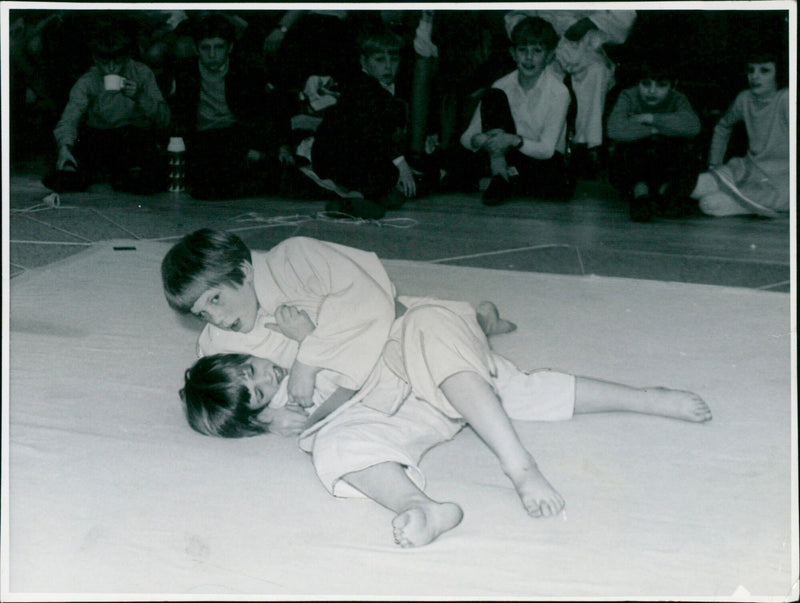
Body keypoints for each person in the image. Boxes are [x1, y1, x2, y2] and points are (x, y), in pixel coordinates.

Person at [180, 298, 712, 548]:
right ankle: (421, 506)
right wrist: (287, 421)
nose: (264, 376)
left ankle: (639, 402)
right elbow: (298, 418)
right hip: (400, 410)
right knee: (333, 449)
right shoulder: (279, 413)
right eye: (257, 392)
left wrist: (308, 340)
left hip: (420, 356)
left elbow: (367, 314)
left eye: (251, 369)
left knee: (507, 381)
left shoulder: (279, 331)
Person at [162, 228, 516, 408]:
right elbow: (226, 391)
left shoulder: (293, 258)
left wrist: (308, 358)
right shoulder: (216, 343)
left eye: (216, 299)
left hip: (397, 322)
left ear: (243, 269)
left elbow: (364, 300)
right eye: (203, 313)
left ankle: (482, 319)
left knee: (457, 343)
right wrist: (272, 416)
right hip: (354, 378)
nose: (217, 318)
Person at [169, 14, 295, 200]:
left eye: (219, 47)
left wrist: (282, 146)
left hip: (237, 133)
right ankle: (254, 163)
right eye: (206, 48)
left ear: (230, 47)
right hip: (203, 137)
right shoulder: (185, 71)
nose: (212, 55)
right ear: (196, 49)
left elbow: (269, 110)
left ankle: (255, 163)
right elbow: (179, 116)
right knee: (205, 181)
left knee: (227, 160)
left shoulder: (245, 70)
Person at [308, 24, 424, 219]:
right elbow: (373, 133)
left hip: (361, 153)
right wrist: (401, 164)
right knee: (392, 179)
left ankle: (358, 195)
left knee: (413, 179)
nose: (388, 66)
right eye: (379, 60)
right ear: (364, 61)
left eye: (393, 59)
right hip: (338, 156)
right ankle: (353, 197)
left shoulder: (387, 88)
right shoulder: (362, 88)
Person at [505, 10, 637, 177]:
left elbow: (624, 15)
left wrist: (590, 22)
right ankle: (545, 145)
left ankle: (588, 145)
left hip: (587, 45)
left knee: (596, 72)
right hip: (545, 44)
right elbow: (514, 16)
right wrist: (535, 30)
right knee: (545, 79)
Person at [43, 21, 170, 194]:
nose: (111, 68)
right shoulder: (87, 81)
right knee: (65, 169)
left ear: (126, 57)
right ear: (95, 59)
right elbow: (70, 117)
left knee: (149, 175)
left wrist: (141, 96)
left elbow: (165, 119)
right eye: (104, 61)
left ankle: (126, 174)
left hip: (133, 134)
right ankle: (96, 173)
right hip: (100, 135)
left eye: (117, 61)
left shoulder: (142, 73)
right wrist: (65, 146)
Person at [460, 16, 572, 206]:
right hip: (502, 156)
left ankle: (501, 180)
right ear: (513, 53)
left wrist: (513, 140)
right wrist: (479, 140)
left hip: (539, 158)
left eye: (537, 51)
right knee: (493, 95)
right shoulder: (501, 85)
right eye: (522, 50)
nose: (529, 58)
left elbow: (546, 150)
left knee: (559, 184)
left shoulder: (559, 92)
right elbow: (466, 137)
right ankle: (501, 176)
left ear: (549, 56)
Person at [678, 45, 789, 217]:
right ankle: (747, 201)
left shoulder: (786, 98)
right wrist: (714, 164)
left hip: (782, 178)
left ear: (779, 74)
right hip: (750, 169)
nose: (755, 76)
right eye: (751, 70)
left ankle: (756, 203)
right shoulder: (744, 98)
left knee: (709, 204)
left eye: (764, 71)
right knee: (696, 186)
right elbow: (722, 127)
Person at [606, 58, 702, 222]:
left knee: (680, 147)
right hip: (635, 167)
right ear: (638, 83)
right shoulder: (628, 96)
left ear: (673, 85)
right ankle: (640, 194)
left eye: (661, 85)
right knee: (631, 147)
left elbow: (693, 126)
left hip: (665, 163)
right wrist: (658, 129)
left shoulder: (678, 99)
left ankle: (665, 194)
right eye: (646, 84)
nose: (652, 91)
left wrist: (650, 118)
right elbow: (614, 129)